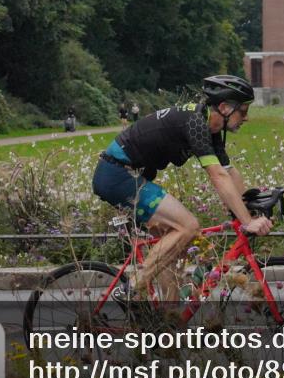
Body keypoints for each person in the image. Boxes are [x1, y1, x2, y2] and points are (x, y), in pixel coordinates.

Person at [91, 75, 271, 304]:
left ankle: (170, 321)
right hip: (117, 175)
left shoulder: (212, 128)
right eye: (243, 112)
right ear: (225, 107)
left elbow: (228, 172)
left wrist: (249, 207)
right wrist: (246, 222)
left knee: (174, 248)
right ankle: (130, 290)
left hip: (131, 175)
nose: (246, 118)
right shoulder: (195, 123)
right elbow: (216, 176)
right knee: (188, 226)